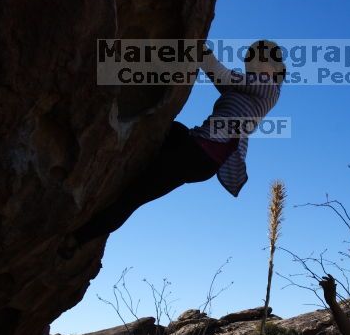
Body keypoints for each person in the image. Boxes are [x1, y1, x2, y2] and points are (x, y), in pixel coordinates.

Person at [57, 40, 285, 259]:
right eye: (250, 60)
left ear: (276, 69)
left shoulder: (268, 88)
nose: (253, 63)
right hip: (199, 154)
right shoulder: (246, 88)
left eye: (260, 59)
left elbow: (223, 74)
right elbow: (219, 76)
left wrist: (198, 47)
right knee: (139, 186)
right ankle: (78, 239)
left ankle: (78, 237)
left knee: (136, 190)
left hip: (199, 153)